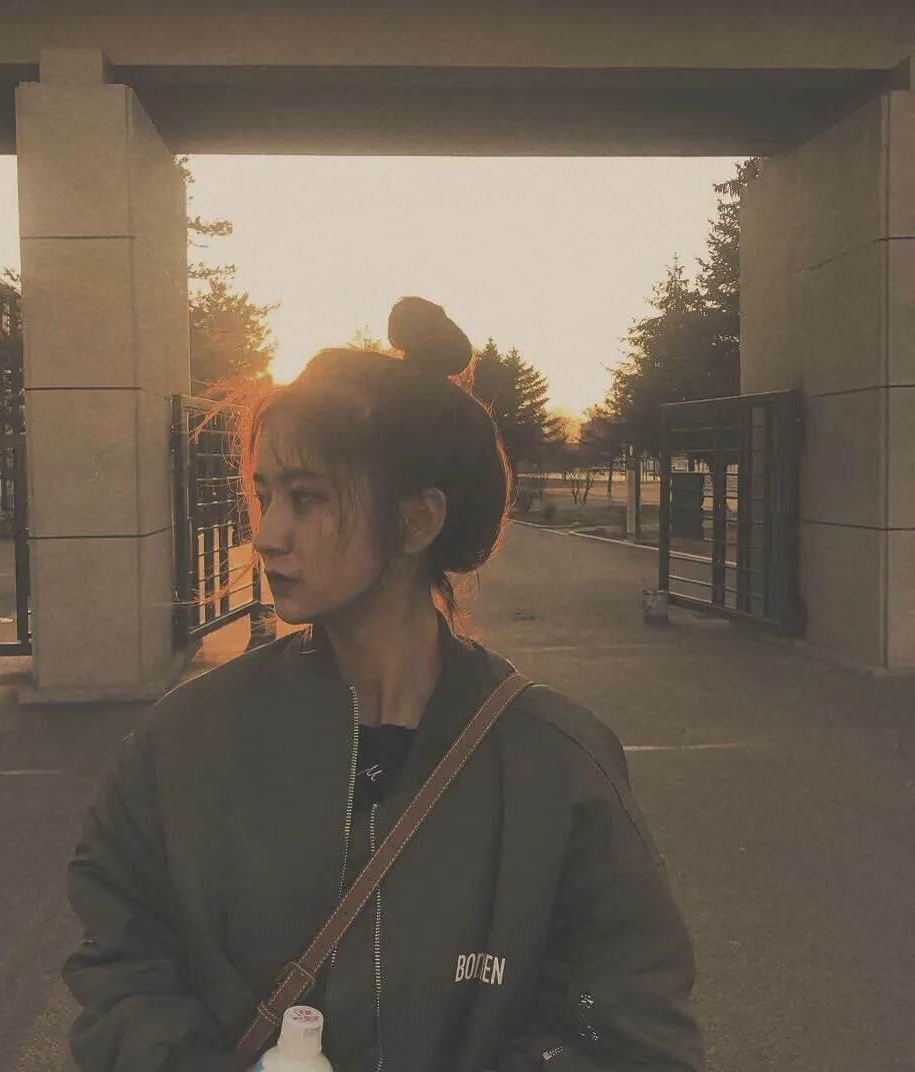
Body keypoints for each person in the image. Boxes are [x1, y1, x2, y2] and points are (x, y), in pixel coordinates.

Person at [61, 298, 705, 1072]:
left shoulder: (556, 764)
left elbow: (630, 1030)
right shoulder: (187, 742)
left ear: (417, 522)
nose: (266, 534)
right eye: (265, 494)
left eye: (307, 497)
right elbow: (124, 965)